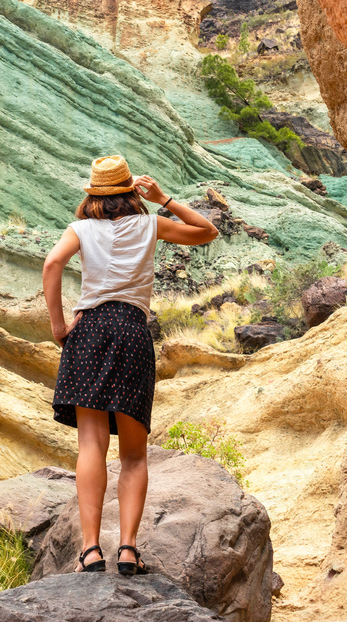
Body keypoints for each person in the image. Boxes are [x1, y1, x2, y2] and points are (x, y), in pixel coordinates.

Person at [42, 155, 219, 574]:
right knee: (134, 456)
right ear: (129, 191)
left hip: (88, 331)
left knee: (91, 445)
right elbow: (207, 231)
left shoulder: (80, 229)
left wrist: (58, 325)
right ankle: (127, 550)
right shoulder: (151, 224)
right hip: (131, 331)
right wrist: (164, 198)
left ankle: (89, 551)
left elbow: (51, 264)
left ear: (93, 194)